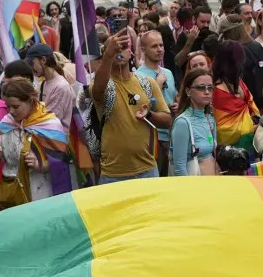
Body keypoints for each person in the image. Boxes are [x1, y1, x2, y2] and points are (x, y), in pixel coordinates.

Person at [92, 30, 170, 183]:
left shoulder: (147, 82)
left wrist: (149, 115)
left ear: (131, 53)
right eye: (115, 49)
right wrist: (108, 54)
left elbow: (167, 120)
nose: (119, 52)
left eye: (124, 47)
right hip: (113, 174)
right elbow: (98, 89)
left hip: (147, 170)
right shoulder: (102, 84)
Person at [0, 78, 74, 200]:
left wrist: (42, 165)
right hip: (12, 194)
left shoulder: (50, 124)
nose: (11, 111)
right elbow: (1, 154)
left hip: (41, 195)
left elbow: (62, 159)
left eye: (16, 106)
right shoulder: (7, 123)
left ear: (30, 101)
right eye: (7, 106)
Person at [133, 29, 176, 170]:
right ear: (143, 49)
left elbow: (173, 96)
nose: (159, 49)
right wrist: (156, 85)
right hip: (152, 138)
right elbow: (139, 109)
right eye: (154, 46)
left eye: (161, 45)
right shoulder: (138, 77)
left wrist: (176, 104)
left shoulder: (168, 73)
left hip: (172, 136)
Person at [168, 70, 218, 176]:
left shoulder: (210, 119)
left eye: (210, 88)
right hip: (194, 187)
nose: (207, 92)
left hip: (213, 184)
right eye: (201, 87)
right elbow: (179, 169)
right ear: (188, 91)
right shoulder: (182, 122)